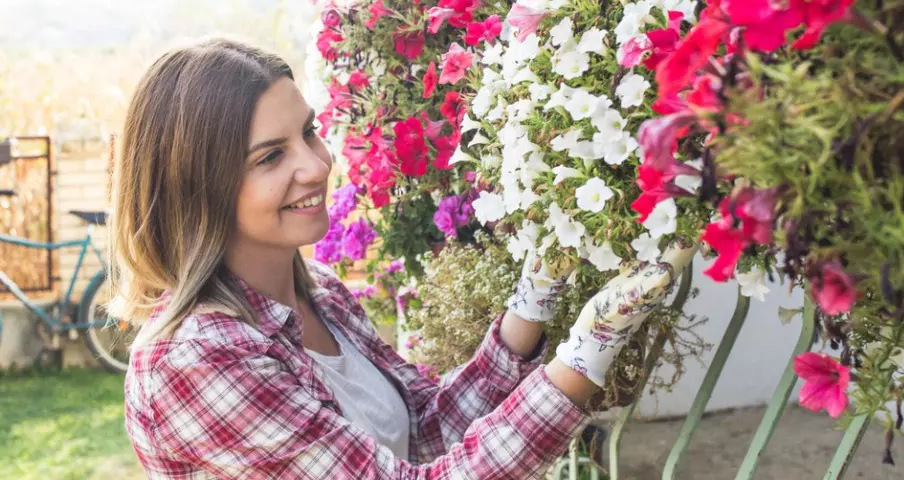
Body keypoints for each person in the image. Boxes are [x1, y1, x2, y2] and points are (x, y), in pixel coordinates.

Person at [114, 37, 689, 479]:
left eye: (309, 133)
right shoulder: (195, 359)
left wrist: (534, 298)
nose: (316, 165)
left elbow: (425, 427)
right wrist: (589, 350)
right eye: (270, 156)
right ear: (198, 187)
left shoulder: (321, 295)